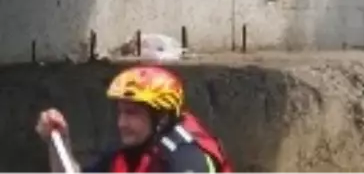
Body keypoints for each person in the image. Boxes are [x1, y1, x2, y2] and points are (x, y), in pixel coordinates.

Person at [35, 65, 233, 174]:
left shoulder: (186, 158)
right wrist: (60, 142)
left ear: (162, 118)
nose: (121, 123)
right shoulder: (130, 152)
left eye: (132, 113)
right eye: (120, 112)